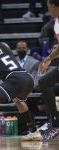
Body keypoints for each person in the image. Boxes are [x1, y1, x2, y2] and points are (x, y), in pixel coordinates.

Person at [37, 0, 59, 141]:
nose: (47, 9)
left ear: (54, 6)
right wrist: (49, 58)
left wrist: (49, 58)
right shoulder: (56, 23)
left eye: (48, 6)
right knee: (44, 82)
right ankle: (56, 123)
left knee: (44, 82)